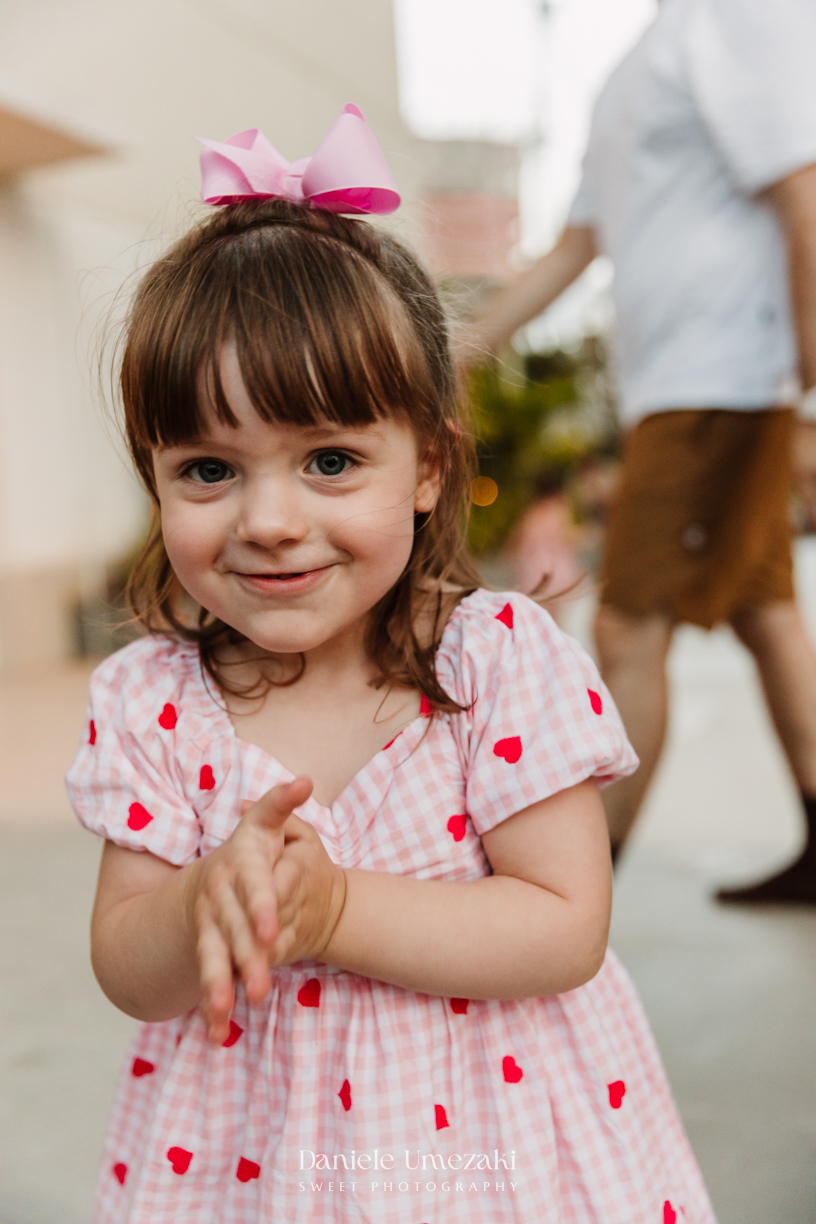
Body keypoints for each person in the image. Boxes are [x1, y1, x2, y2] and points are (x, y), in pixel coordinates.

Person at [65, 109, 716, 1224]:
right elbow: (126, 960)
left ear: (428, 465)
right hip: (256, 1164)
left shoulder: (494, 666)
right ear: (155, 477)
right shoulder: (151, 706)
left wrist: (332, 912)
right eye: (210, 468)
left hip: (490, 1154)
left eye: (329, 460)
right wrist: (195, 910)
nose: (269, 521)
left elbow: (564, 924)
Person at [465, 0, 816, 901]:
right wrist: (445, 359)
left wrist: (809, 381)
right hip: (681, 389)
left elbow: (802, 190)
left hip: (723, 380)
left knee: (628, 626)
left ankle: (576, 892)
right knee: (765, 616)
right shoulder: (634, 65)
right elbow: (575, 246)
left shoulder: (742, 17)